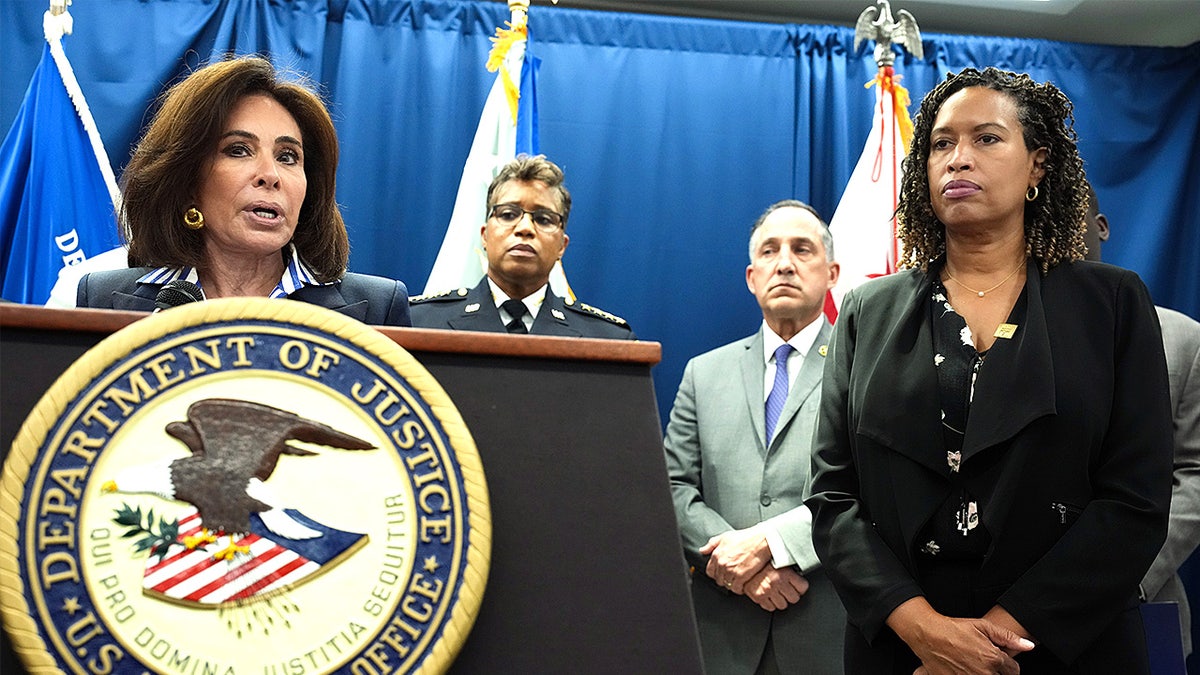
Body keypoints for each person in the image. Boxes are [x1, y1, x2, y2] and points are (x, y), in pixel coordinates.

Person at [807, 67, 1174, 673]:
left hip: (1062, 641)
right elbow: (832, 494)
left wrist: (995, 639)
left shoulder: (1111, 304)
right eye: (941, 144)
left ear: (1037, 165)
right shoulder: (867, 310)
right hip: (904, 649)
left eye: (986, 139)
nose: (958, 159)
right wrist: (927, 634)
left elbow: (1135, 500)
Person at [76, 56, 410, 326]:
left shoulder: (374, 310)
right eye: (238, 150)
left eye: (288, 157)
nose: (270, 175)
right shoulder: (104, 300)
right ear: (187, 183)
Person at [664, 200, 845, 674]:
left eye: (802, 249)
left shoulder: (863, 367)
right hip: (720, 634)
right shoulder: (703, 374)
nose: (784, 262)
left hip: (828, 631)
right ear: (751, 276)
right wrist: (741, 569)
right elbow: (672, 489)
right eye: (770, 251)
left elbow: (869, 489)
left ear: (831, 273)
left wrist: (773, 547)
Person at [1085, 183, 1200, 658]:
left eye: (1069, 212)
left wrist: (1128, 572)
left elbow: (1195, 473)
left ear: (1102, 227)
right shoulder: (999, 339)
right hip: (1015, 614)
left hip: (1144, 600)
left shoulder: (1182, 339)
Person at [409, 154, 633, 339]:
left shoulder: (609, 338)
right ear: (485, 236)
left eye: (544, 219)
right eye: (508, 214)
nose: (525, 228)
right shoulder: (418, 324)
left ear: (561, 246)